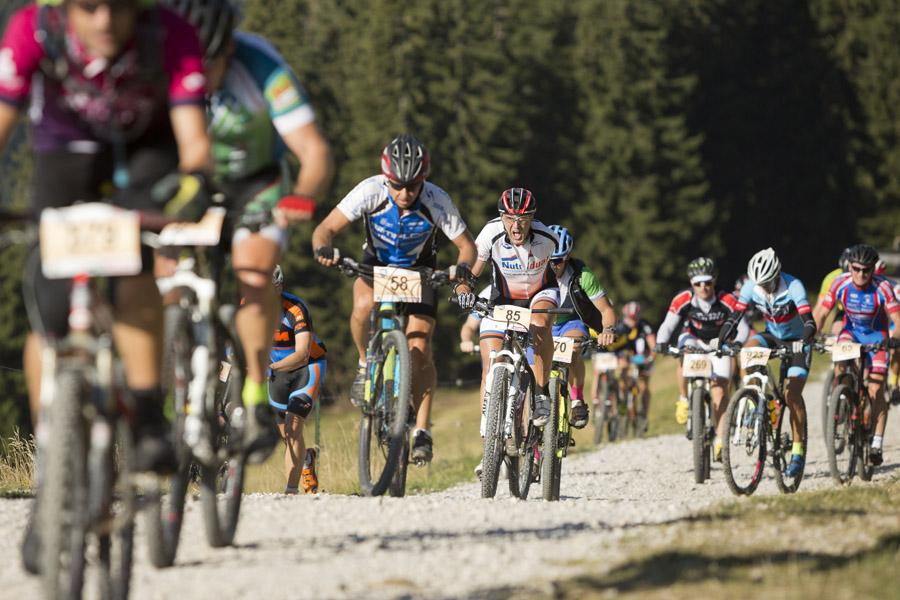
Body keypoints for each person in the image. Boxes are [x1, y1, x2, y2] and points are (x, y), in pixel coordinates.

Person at [0, 0, 212, 572]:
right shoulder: (33, 31)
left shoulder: (170, 33)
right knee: (46, 299)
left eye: (116, 8)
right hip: (65, 152)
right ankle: (55, 461)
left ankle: (144, 411)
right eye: (88, 8)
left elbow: (194, 144)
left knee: (133, 262)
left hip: (146, 153)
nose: (103, 23)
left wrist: (190, 187)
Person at [163, 0, 333, 464]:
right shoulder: (155, 57)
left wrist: (302, 195)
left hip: (256, 183)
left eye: (212, 63)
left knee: (255, 274)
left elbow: (314, 151)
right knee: (152, 272)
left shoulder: (262, 66)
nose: (202, 75)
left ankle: (255, 394)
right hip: (186, 181)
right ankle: (160, 393)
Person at [312, 134, 476, 464]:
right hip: (375, 267)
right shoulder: (370, 190)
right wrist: (324, 248)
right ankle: (364, 363)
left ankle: (423, 431)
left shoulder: (436, 200)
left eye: (412, 187)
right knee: (362, 306)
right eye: (397, 186)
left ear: (423, 181)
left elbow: (467, 247)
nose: (404, 194)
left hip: (421, 273)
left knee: (419, 350)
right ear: (386, 178)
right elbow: (325, 228)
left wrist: (460, 269)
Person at [453, 187, 559, 477]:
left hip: (541, 293)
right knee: (490, 367)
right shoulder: (490, 235)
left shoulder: (548, 238)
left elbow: (564, 275)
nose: (516, 225)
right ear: (501, 217)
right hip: (504, 298)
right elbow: (470, 274)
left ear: (532, 218)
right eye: (509, 218)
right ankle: (489, 447)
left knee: (540, 324)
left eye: (523, 218)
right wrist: (463, 290)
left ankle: (540, 394)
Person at [719, 247, 816, 477]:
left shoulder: (794, 286)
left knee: (792, 395)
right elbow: (735, 316)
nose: (762, 288)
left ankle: (798, 451)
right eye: (759, 283)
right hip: (772, 336)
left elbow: (810, 322)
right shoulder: (752, 286)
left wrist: (803, 342)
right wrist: (721, 338)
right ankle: (755, 400)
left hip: (796, 340)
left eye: (767, 283)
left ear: (777, 275)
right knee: (747, 351)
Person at [812, 244, 900, 466]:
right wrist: (811, 335)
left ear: (873, 270)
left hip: (876, 336)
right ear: (849, 266)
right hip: (850, 334)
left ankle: (876, 442)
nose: (861, 274)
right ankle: (843, 399)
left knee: (876, 388)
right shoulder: (840, 283)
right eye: (856, 269)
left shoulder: (883, 288)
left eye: (866, 270)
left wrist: (894, 337)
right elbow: (822, 312)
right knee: (841, 366)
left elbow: (898, 319)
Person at [655, 257, 749, 460]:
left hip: (720, 343)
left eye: (707, 282)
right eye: (698, 283)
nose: (703, 287)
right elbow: (668, 324)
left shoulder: (727, 299)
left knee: (720, 390)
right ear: (691, 283)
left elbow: (743, 327)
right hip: (694, 340)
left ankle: (721, 438)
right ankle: (683, 399)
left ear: (715, 280)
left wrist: (737, 344)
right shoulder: (683, 298)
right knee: (683, 352)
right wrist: (661, 342)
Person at [546, 225, 616, 428]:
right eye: (548, 261)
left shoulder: (583, 276)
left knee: (573, 347)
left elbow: (606, 310)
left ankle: (576, 398)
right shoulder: (533, 271)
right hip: (543, 324)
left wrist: (608, 330)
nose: (552, 266)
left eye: (557, 261)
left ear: (567, 258)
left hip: (571, 322)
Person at [267, 265, 327, 494]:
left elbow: (302, 354)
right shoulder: (249, 306)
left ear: (279, 287)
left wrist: (269, 366)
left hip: (307, 366)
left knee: (293, 428)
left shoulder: (295, 308)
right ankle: (306, 459)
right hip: (276, 372)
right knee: (286, 436)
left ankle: (291, 492)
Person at [606, 301, 656, 432]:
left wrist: (651, 357)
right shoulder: (621, 327)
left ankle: (644, 414)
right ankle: (622, 402)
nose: (632, 321)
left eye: (635, 318)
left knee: (644, 386)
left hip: (642, 359)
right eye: (630, 318)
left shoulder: (645, 326)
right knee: (622, 377)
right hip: (626, 358)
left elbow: (653, 344)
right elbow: (614, 347)